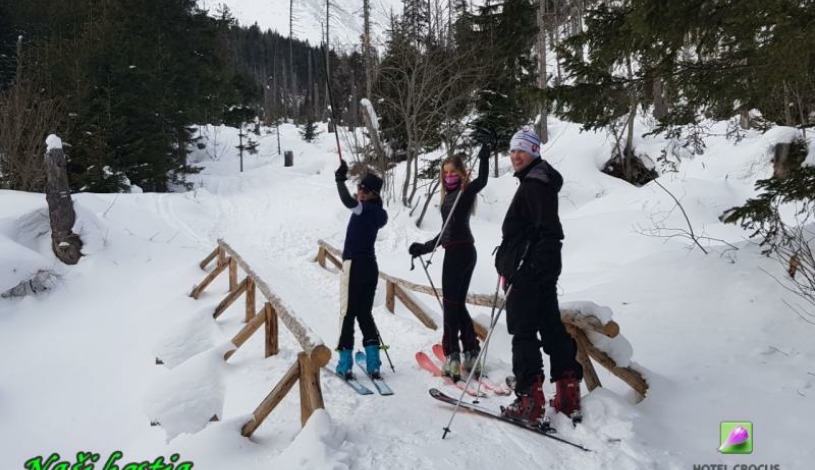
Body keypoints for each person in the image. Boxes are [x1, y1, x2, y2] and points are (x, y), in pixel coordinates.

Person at [494, 127, 583, 424]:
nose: (516, 155)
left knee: (524, 332)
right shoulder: (539, 181)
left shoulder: (534, 185)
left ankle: (529, 401)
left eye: (522, 150)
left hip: (528, 272)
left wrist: (527, 268)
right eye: (512, 150)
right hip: (537, 269)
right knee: (551, 327)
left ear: (534, 151)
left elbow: (549, 233)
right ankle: (568, 394)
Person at [408, 141, 492, 381]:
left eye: (453, 172)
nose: (449, 177)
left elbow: (481, 181)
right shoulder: (450, 196)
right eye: (445, 173)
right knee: (457, 305)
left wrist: (484, 157)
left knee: (450, 306)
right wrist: (424, 248)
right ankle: (471, 352)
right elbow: (446, 231)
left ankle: (452, 356)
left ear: (462, 173)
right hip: (464, 251)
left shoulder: (464, 192)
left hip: (458, 254)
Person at [334, 160, 388, 379]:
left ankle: (345, 362)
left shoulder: (362, 209)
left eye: (365, 190)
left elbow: (347, 201)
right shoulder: (379, 213)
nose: (360, 192)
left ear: (373, 194)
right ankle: (373, 362)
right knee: (364, 313)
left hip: (354, 266)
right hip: (370, 268)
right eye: (359, 188)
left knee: (347, 314)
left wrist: (339, 179)